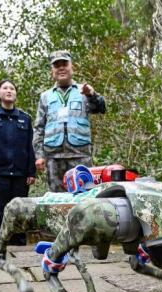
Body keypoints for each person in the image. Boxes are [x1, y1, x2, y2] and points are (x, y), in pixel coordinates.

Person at [33, 50, 106, 192]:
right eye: (56, 65)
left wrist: (92, 95)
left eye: (64, 64)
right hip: (54, 157)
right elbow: (39, 128)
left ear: (72, 67)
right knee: (57, 200)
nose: (61, 68)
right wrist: (39, 156)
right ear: (52, 70)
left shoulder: (83, 90)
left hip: (80, 155)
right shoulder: (45, 96)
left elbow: (100, 108)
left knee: (84, 196)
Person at [0, 79, 36, 245]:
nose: (9, 90)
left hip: (20, 174)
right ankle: (2, 243)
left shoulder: (25, 118)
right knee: (1, 210)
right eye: (5, 88)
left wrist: (31, 172)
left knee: (20, 210)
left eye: (12, 88)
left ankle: (19, 244)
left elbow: (30, 147)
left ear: (16, 94)